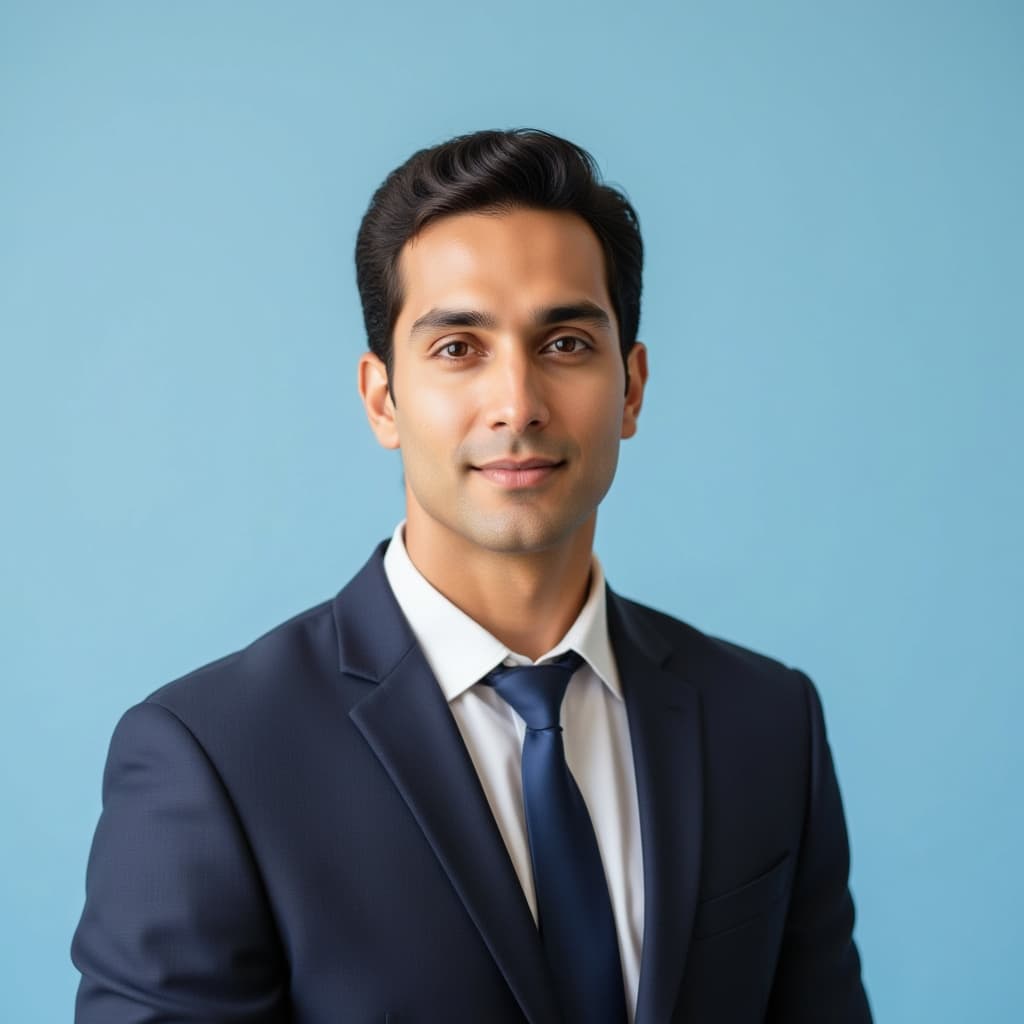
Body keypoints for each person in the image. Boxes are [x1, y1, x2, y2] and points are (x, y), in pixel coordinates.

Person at [72, 128, 873, 1023]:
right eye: (458, 348)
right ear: (383, 398)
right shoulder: (212, 756)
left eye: (566, 343)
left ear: (632, 387)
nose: (518, 404)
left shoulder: (767, 722)